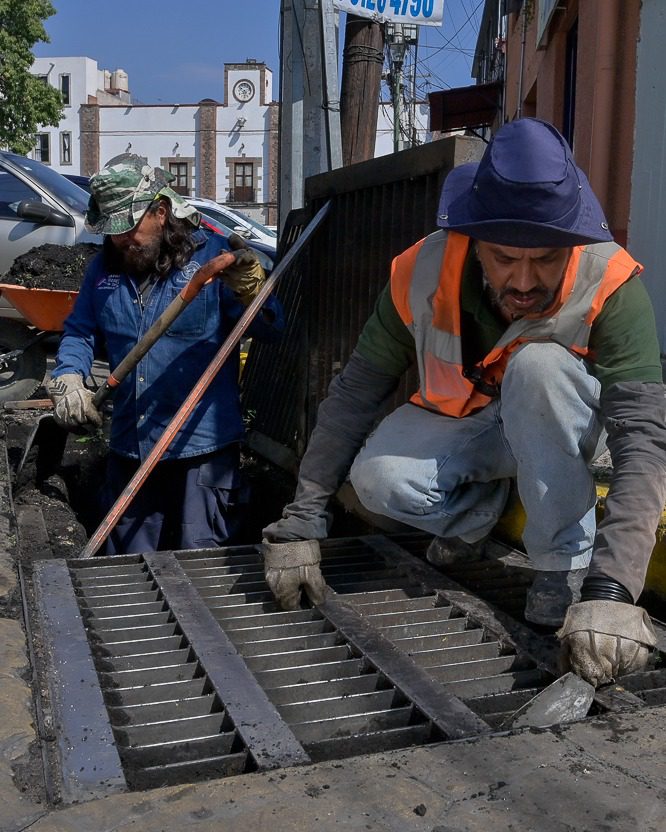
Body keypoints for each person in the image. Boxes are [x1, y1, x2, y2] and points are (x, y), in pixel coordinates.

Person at [261, 118, 666, 688]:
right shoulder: (422, 269)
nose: (524, 280)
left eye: (546, 259)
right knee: (379, 480)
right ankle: (479, 512)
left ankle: (561, 568)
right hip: (473, 426)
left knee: (539, 364)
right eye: (504, 258)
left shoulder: (612, 279)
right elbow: (355, 393)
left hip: (565, 429)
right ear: (472, 240)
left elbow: (642, 437)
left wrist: (613, 587)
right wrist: (301, 520)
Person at [47, 156, 284, 554]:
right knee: (125, 570)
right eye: (113, 230)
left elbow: (271, 331)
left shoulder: (212, 260)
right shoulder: (103, 271)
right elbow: (80, 331)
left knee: (202, 563)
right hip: (130, 444)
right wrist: (69, 376)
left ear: (160, 211)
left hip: (202, 451)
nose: (121, 239)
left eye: (129, 227)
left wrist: (252, 293)